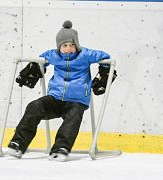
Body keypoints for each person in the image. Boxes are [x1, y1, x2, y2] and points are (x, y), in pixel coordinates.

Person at [8, 20, 117, 161]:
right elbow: (40, 60)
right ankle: (18, 143)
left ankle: (61, 148)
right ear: (59, 47)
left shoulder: (85, 55)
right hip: (55, 99)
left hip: (76, 101)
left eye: (72, 45)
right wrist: (32, 69)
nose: (69, 48)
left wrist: (105, 71)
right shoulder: (53, 55)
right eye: (64, 45)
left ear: (77, 45)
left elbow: (105, 56)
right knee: (34, 106)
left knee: (74, 117)